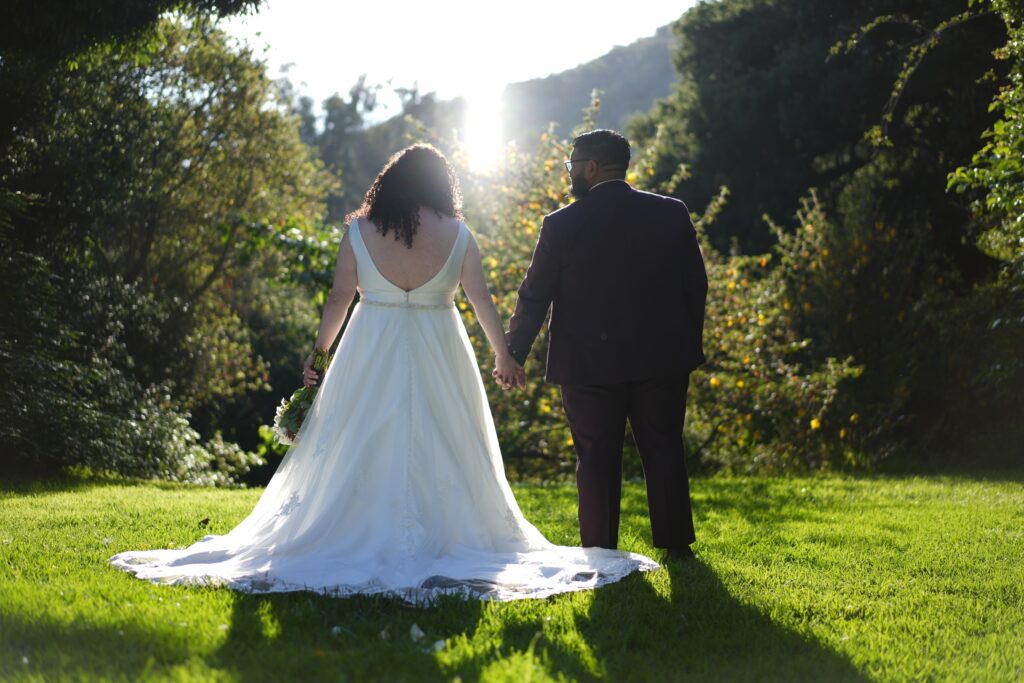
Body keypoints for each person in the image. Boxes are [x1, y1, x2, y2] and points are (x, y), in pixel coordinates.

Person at [109, 144, 656, 602]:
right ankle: (445, 532)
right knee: (445, 439)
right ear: (440, 186)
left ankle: (358, 527)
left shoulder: (360, 232)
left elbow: (339, 299)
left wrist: (320, 355)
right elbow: (481, 300)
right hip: (441, 347)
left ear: (390, 184)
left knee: (361, 436)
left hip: (370, 345)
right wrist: (503, 357)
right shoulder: (459, 234)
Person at [504, 129, 708, 562]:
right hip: (662, 358)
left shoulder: (561, 224)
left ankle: (599, 551)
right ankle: (676, 546)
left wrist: (513, 353)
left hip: (587, 364)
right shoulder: (671, 212)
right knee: (665, 448)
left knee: (595, 458)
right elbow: (696, 284)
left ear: (592, 168)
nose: (569, 174)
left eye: (572, 166)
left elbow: (535, 295)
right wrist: (687, 343)